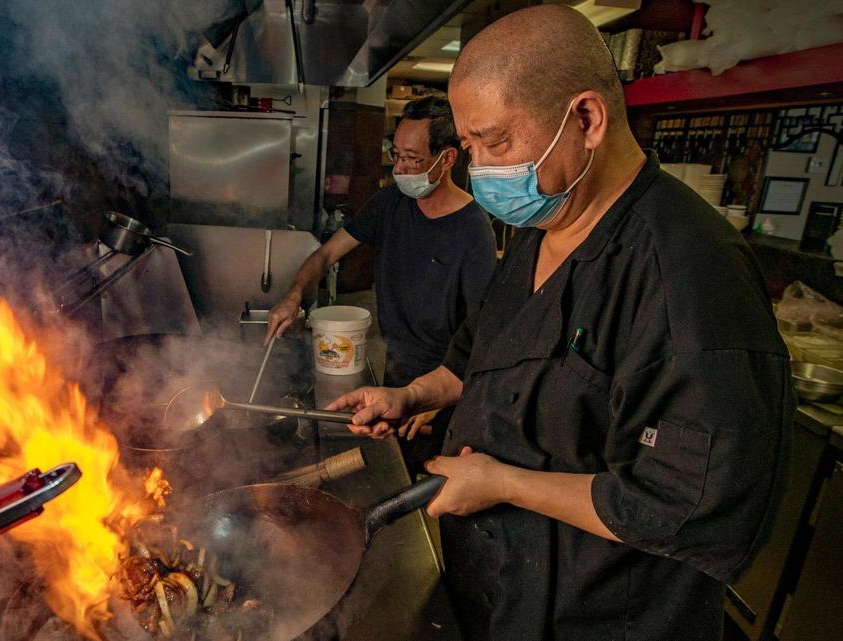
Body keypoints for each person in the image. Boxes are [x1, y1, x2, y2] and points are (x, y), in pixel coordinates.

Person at [326, 6, 792, 641]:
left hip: (596, 614)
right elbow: (480, 351)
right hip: (499, 589)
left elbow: (686, 503)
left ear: (587, 119)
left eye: (496, 142)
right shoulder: (542, 224)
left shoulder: (689, 272)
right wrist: (412, 394)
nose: (480, 169)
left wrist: (503, 483)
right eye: (469, 146)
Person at [265, 96, 496, 475]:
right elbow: (325, 255)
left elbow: (485, 333)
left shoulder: (473, 232)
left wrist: (436, 398)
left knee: (428, 476)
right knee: (391, 464)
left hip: (447, 381)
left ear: (448, 158)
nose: (401, 168)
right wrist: (293, 296)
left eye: (413, 159)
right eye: (397, 155)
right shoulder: (389, 203)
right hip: (397, 365)